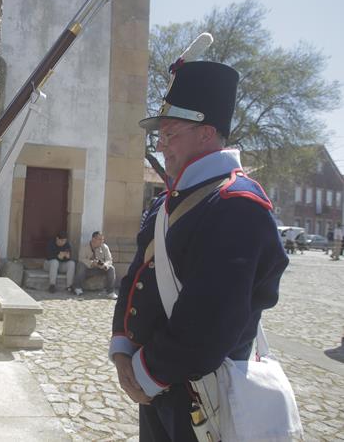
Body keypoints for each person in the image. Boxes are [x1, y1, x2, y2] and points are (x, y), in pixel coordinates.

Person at [108, 62, 288, 441]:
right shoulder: (167, 203)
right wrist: (123, 350)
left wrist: (144, 373)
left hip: (204, 393)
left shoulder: (238, 204)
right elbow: (137, 276)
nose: (159, 144)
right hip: (157, 386)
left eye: (170, 132)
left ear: (207, 133)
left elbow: (210, 324)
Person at [73, 231, 116, 298]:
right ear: (93, 239)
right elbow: (81, 259)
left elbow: (109, 259)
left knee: (111, 269)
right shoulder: (84, 247)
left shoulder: (105, 247)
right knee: (80, 265)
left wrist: (105, 265)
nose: (102, 241)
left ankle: (110, 292)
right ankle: (77, 287)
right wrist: (92, 263)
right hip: (88, 269)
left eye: (102, 239)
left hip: (100, 269)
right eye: (100, 239)